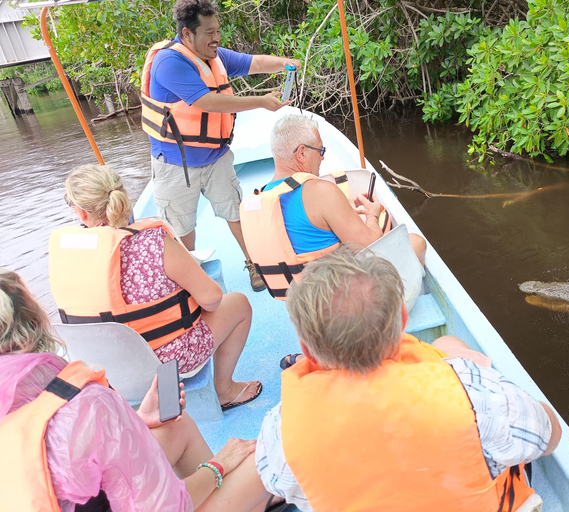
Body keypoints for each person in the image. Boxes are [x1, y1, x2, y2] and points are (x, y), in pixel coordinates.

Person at [255, 245, 562, 512]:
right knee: (451, 347)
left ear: (307, 349)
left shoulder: (281, 427)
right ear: (403, 318)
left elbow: (281, 484)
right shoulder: (471, 391)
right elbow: (550, 435)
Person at [0, 268, 277, 512]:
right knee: (262, 460)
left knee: (177, 426)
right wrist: (219, 466)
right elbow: (165, 506)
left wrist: (135, 423)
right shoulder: (85, 404)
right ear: (35, 322)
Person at [49, 164, 261, 410]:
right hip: (166, 368)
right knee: (238, 303)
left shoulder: (67, 255)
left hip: (104, 371)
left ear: (82, 214)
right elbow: (212, 299)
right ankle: (224, 390)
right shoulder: (154, 243)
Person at [141, 0, 302, 292]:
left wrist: (284, 64)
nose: (216, 38)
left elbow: (251, 63)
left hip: (216, 155)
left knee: (235, 212)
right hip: (178, 165)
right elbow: (207, 102)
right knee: (182, 229)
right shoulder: (169, 62)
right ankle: (191, 281)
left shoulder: (212, 55)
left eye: (217, 31)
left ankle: (255, 264)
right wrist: (262, 102)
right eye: (209, 32)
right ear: (188, 34)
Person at [239, 115, 427, 299]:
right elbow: (370, 245)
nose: (322, 158)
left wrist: (342, 212)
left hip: (305, 307)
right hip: (343, 300)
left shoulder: (254, 203)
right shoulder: (320, 191)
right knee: (416, 242)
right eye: (321, 151)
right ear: (302, 153)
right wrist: (372, 215)